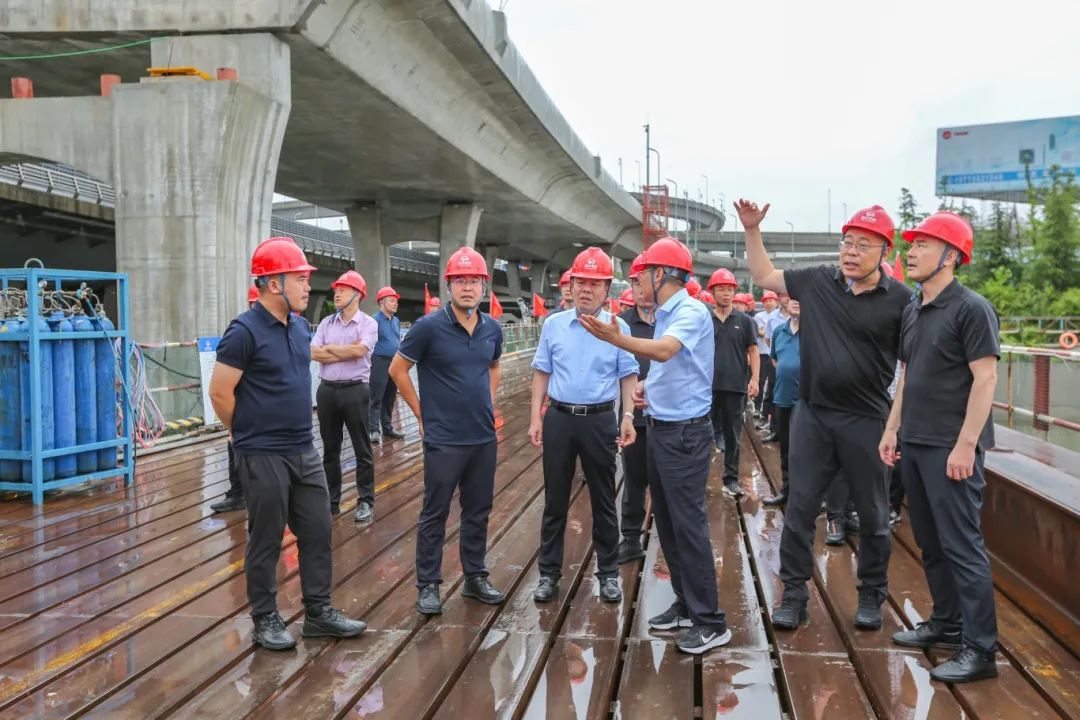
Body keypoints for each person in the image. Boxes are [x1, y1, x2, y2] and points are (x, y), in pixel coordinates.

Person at [736, 200, 913, 633]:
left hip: (867, 418)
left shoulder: (901, 300)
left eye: (863, 245)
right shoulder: (817, 281)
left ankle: (871, 592)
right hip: (813, 416)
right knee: (799, 509)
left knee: (872, 513)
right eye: (847, 243)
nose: (851, 252)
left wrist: (894, 426)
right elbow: (764, 276)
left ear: (884, 254)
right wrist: (752, 231)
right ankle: (793, 594)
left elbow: (908, 367)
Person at [209, 237, 366, 650]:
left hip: (303, 448)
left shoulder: (300, 328)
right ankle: (265, 618)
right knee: (265, 539)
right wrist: (242, 434)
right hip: (261, 454)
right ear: (274, 284)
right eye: (299, 279)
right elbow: (220, 392)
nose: (307, 288)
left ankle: (318, 612)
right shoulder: (243, 331)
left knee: (317, 530)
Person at [579, 236, 731, 655]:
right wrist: (646, 387)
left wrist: (616, 339)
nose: (635, 283)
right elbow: (676, 366)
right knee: (667, 521)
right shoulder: (667, 312)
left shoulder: (690, 310)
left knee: (688, 525)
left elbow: (665, 352)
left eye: (640, 275)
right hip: (663, 427)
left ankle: (711, 621)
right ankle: (687, 604)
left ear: (659, 274)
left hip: (684, 433)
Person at [880, 212, 1000, 683]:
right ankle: (948, 624)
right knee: (930, 543)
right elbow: (908, 375)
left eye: (923, 245)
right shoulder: (915, 307)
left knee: (962, 547)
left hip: (953, 449)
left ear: (951, 256)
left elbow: (985, 378)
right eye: (911, 245)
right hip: (915, 442)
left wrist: (966, 444)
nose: (910, 252)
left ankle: (981, 650)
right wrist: (892, 430)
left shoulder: (972, 308)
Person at [389, 247, 505, 616]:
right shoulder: (428, 328)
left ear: (484, 286)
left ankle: (474, 576)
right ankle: (428, 584)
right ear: (450, 285)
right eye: (460, 281)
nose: (467, 287)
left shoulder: (492, 329)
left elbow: (494, 367)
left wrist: (486, 403)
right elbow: (397, 370)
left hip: (482, 437)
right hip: (444, 439)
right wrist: (422, 414)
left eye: (474, 281)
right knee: (435, 511)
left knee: (478, 510)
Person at [529, 247, 639, 604]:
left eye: (595, 283)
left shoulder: (617, 328)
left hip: (599, 421)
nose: (586, 289)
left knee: (604, 499)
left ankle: (607, 573)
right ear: (571, 285)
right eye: (580, 282)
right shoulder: (554, 325)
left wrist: (627, 417)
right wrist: (535, 417)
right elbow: (542, 372)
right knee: (555, 500)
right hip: (560, 418)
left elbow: (628, 375)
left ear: (607, 290)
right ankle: (548, 574)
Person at [310, 270, 378, 522]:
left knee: (362, 449)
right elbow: (314, 352)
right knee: (330, 450)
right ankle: (331, 502)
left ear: (357, 294)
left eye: (343, 289)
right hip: (327, 390)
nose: (336, 293)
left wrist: (330, 349)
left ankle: (366, 501)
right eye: (336, 289)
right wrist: (343, 351)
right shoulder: (327, 322)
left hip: (355, 390)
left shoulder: (369, 323)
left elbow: (360, 351)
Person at [706, 268, 759, 497]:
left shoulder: (745, 322)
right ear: (713, 292)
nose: (726, 294)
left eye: (729, 289)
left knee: (733, 436)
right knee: (700, 435)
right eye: (721, 289)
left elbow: (753, 351)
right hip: (706, 387)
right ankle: (700, 478)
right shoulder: (705, 320)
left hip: (735, 387)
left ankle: (730, 479)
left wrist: (755, 379)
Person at [617, 253, 654, 564]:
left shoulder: (674, 320)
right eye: (634, 281)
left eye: (644, 278)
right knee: (634, 481)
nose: (639, 286)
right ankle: (630, 538)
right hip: (634, 418)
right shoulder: (622, 324)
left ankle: (673, 543)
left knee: (672, 484)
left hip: (672, 419)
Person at [211, 284, 260, 514]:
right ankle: (238, 493)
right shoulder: (245, 330)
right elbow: (220, 389)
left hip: (261, 411)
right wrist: (233, 425)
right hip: (245, 405)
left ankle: (246, 494)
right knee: (235, 449)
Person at [762, 300, 801, 506]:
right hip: (783, 398)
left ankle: (810, 496)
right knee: (785, 448)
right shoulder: (779, 331)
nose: (797, 303)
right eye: (793, 299)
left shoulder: (815, 332)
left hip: (806, 402)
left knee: (807, 450)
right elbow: (775, 359)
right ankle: (787, 490)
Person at [369, 286, 405, 443]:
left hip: (395, 362)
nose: (395, 303)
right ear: (382, 302)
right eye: (392, 300)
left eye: (396, 301)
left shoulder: (396, 321)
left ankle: (388, 427)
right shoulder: (374, 320)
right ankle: (373, 430)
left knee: (390, 396)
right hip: (379, 361)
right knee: (376, 396)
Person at [754, 290, 779, 426]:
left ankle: (770, 414)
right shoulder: (759, 316)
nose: (769, 303)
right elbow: (760, 333)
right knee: (762, 382)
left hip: (776, 355)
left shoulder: (781, 317)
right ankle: (759, 409)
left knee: (773, 385)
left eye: (772, 300)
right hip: (763, 354)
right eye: (767, 300)